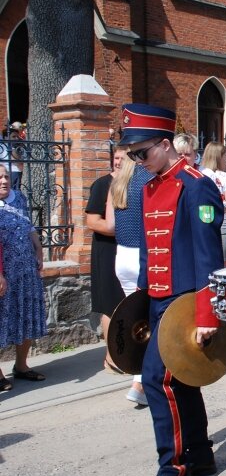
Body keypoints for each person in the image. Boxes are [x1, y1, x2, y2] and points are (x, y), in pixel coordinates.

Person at [120, 103, 225, 476]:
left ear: (166, 145)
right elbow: (150, 252)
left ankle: (174, 467)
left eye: (142, 153)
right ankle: (200, 456)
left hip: (186, 302)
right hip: (159, 301)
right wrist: (141, 303)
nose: (138, 161)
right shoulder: (149, 187)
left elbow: (208, 256)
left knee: (156, 381)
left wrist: (207, 315)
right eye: (133, 155)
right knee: (181, 380)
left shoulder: (197, 184)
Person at [106, 152, 155, 406]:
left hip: (122, 255)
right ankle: (141, 380)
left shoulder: (118, 182)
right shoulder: (148, 179)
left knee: (137, 318)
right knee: (147, 319)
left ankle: (139, 377)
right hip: (141, 254)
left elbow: (111, 225)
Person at [0, 164, 46, 389]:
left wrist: (38, 249)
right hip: (4, 273)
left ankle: (21, 365)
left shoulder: (19, 199)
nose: (4, 181)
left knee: (27, 315)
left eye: (6, 176)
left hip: (26, 270)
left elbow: (29, 227)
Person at [86, 146, 126, 373]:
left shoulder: (133, 184)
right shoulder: (102, 185)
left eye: (123, 158)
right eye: (116, 157)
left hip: (127, 250)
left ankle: (125, 354)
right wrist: (122, 231)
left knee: (126, 304)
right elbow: (92, 221)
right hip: (107, 250)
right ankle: (111, 357)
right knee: (110, 305)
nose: (118, 162)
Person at [200, 142, 226, 267]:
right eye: (225, 156)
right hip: (222, 225)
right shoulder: (225, 176)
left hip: (203, 224)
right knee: (223, 271)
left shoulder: (198, 173)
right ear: (218, 157)